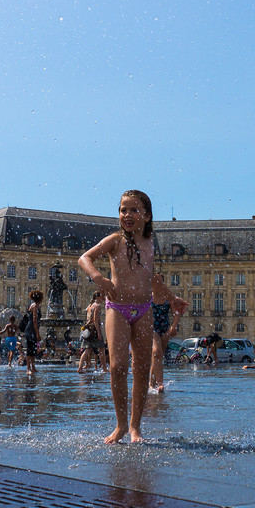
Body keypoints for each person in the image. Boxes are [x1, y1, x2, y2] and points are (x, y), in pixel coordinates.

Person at [78, 190, 187, 444]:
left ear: (147, 216)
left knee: (141, 369)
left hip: (144, 309)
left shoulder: (150, 244)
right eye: (123, 210)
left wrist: (172, 299)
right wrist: (98, 278)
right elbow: (84, 258)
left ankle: (135, 427)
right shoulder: (115, 240)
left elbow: (152, 278)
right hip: (117, 308)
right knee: (117, 367)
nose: (127, 215)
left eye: (134, 210)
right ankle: (120, 426)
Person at [148, 293, 179, 392]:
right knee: (157, 352)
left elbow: (176, 312)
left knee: (157, 357)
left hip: (165, 329)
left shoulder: (167, 296)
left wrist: (174, 326)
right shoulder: (148, 295)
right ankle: (160, 383)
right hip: (152, 328)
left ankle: (152, 384)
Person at [77, 292, 106, 373]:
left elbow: (88, 319)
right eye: (101, 297)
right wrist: (99, 333)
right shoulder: (97, 306)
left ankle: (80, 368)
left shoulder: (89, 306)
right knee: (102, 349)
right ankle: (104, 368)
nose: (102, 299)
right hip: (94, 330)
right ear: (97, 297)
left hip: (88, 331)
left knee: (87, 349)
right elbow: (96, 320)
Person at [23, 291, 44, 377]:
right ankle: (28, 369)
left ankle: (33, 367)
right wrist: (37, 333)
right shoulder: (35, 306)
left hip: (30, 328)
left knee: (33, 349)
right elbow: (34, 320)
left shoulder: (33, 305)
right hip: (31, 329)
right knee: (30, 349)